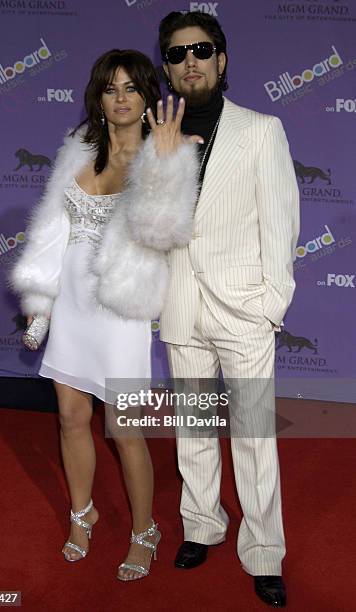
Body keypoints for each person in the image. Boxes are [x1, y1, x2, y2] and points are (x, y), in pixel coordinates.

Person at [10, 48, 201, 581]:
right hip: (71, 303)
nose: (120, 98)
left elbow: (162, 233)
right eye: (110, 88)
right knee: (71, 418)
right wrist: (41, 306)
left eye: (131, 88)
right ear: (98, 97)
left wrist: (165, 167)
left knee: (125, 430)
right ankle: (82, 513)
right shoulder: (76, 150)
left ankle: (145, 530)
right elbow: (51, 232)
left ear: (146, 98)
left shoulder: (165, 154)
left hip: (120, 310)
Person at [158, 11, 300, 607]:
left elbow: (282, 220)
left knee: (252, 435)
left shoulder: (262, 129)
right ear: (167, 68)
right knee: (192, 428)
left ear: (222, 60)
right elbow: (144, 225)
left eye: (202, 48)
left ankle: (264, 550)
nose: (190, 59)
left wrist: (270, 304)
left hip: (243, 308)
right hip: (179, 301)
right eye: (176, 52)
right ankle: (202, 525)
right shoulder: (152, 130)